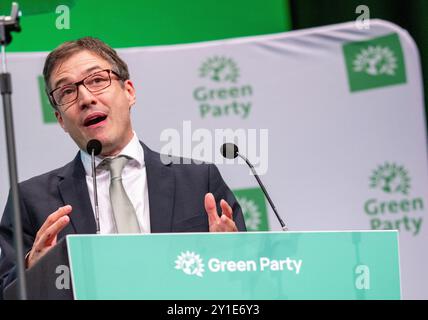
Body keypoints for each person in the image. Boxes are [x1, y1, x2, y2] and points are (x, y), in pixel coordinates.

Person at [0, 37, 246, 298]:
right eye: (67, 92)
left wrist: (231, 258)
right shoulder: (30, 200)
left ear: (129, 91)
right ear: (60, 119)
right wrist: (32, 271)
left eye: (96, 80)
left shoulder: (198, 181)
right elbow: (7, 291)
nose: (85, 98)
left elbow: (247, 276)